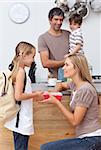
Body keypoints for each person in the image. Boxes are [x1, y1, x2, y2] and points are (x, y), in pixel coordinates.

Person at [40, 53, 101, 150]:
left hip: (92, 139)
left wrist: (57, 102)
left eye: (67, 65)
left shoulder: (85, 90)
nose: (63, 68)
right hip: (85, 137)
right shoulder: (75, 84)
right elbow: (61, 85)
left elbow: (75, 121)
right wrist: (54, 93)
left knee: (46, 148)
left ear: (77, 68)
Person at [5, 41, 44, 150]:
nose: (33, 60)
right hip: (20, 120)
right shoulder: (21, 72)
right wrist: (35, 94)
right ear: (24, 55)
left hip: (19, 119)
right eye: (32, 56)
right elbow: (18, 96)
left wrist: (33, 95)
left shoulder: (17, 70)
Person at [38, 7, 70, 81]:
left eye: (61, 20)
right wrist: (65, 62)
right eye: (56, 19)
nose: (59, 22)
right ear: (50, 20)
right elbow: (45, 63)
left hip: (71, 78)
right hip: (54, 80)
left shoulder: (68, 34)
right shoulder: (43, 38)